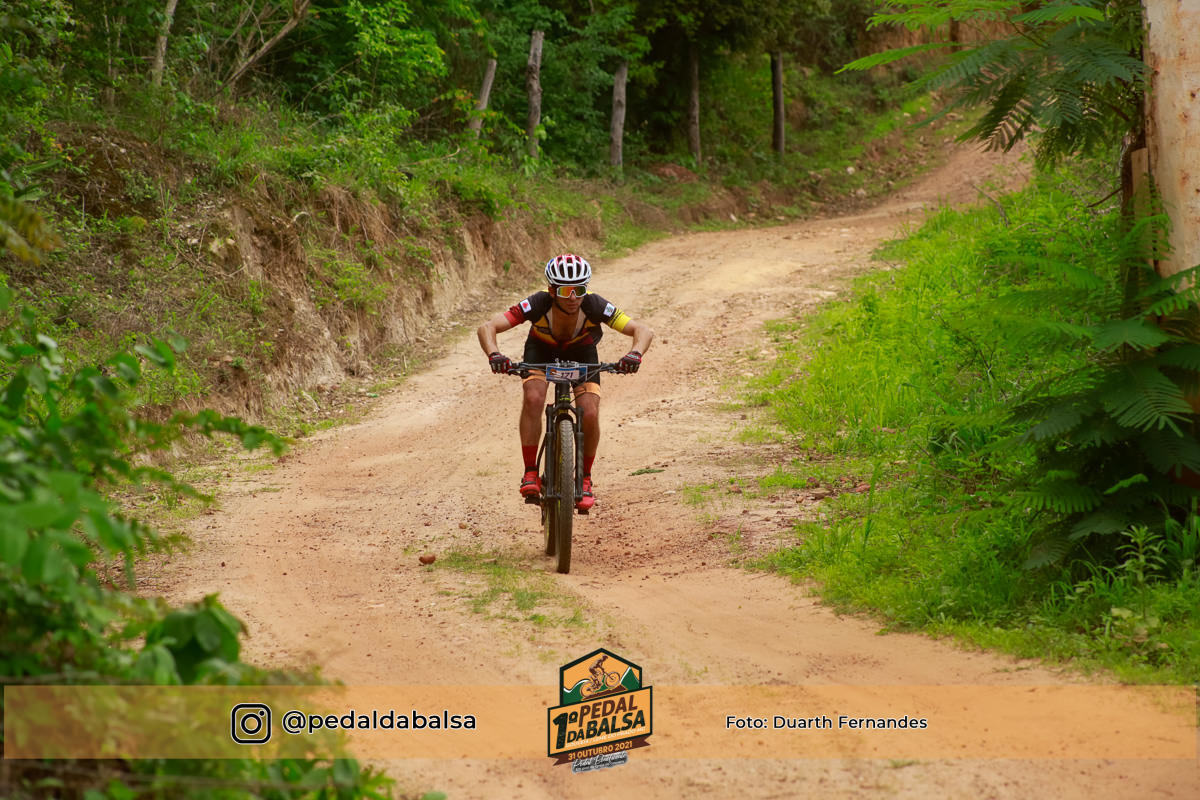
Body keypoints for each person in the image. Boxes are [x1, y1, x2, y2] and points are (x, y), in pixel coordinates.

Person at [477, 253, 653, 510]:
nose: (573, 297)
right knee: (534, 397)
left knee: (589, 412)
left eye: (579, 290)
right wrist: (494, 354)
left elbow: (642, 330)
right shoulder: (537, 303)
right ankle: (530, 472)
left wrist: (635, 353)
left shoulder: (594, 305)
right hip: (541, 349)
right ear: (552, 290)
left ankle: (585, 478)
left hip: (582, 351)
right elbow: (487, 327)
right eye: (565, 291)